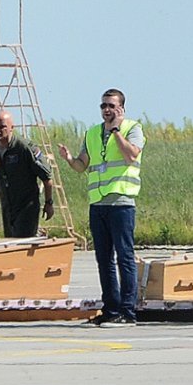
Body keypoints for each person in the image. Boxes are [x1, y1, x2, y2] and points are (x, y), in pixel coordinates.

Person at [59, 88, 145, 328]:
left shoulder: (133, 129)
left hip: (121, 202)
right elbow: (82, 165)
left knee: (124, 258)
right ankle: (110, 310)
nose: (107, 110)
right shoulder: (92, 134)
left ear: (121, 109)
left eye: (111, 106)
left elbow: (131, 156)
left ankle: (127, 313)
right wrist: (68, 159)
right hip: (98, 204)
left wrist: (116, 130)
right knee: (103, 259)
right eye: (103, 106)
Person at [0, 110, 54, 237]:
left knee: (22, 241)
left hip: (27, 206)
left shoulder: (24, 148)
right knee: (11, 242)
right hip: (7, 207)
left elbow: (47, 177)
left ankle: (36, 235)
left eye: (2, 127)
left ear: (12, 128)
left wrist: (49, 203)